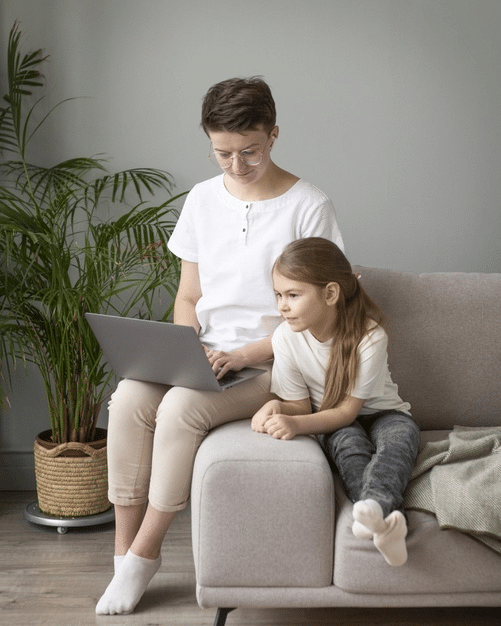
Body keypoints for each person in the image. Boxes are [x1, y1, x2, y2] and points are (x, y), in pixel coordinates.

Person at [96, 77, 344, 615]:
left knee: (181, 408)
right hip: (204, 354)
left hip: (274, 365)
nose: (235, 165)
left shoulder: (309, 205)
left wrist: (245, 354)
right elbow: (189, 294)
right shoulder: (202, 199)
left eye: (248, 152)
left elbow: (321, 311)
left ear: (274, 135)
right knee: (129, 399)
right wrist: (184, 348)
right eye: (222, 153)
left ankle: (146, 553)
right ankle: (122, 552)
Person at [251, 237, 420, 567]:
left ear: (330, 294)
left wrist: (296, 424)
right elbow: (300, 406)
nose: (282, 306)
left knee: (399, 441)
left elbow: (347, 411)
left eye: (293, 295)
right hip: (332, 419)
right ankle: (386, 522)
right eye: (279, 295)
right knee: (348, 446)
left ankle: (375, 507)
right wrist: (275, 407)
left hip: (382, 413)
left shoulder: (370, 336)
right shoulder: (285, 337)